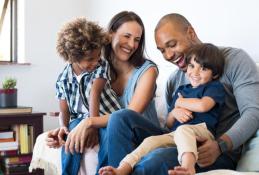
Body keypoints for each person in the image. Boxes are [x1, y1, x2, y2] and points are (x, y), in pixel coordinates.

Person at [105, 13, 259, 175]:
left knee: (156, 160)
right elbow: (170, 127)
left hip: (213, 151)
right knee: (120, 117)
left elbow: (253, 112)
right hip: (177, 139)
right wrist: (174, 112)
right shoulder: (174, 80)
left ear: (190, 33)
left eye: (172, 44)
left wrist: (220, 146)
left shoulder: (234, 60)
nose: (168, 55)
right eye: (162, 50)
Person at [45, 11, 160, 174]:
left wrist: (90, 122)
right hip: (114, 129)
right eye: (126, 36)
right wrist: (65, 128)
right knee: (76, 131)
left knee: (114, 125)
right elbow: (76, 103)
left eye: (137, 39)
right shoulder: (97, 65)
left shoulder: (147, 71)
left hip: (143, 134)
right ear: (110, 34)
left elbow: (129, 116)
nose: (132, 44)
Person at [99, 43, 225, 175]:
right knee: (150, 141)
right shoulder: (182, 90)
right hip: (175, 134)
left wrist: (180, 102)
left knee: (184, 130)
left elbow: (203, 106)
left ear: (215, 74)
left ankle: (188, 167)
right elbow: (169, 123)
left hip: (201, 133)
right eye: (192, 66)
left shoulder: (213, 87)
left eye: (203, 69)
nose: (195, 73)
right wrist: (175, 112)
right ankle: (122, 169)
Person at [55, 17, 121, 175]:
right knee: (71, 138)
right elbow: (64, 111)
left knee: (108, 139)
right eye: (90, 59)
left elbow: (95, 93)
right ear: (72, 57)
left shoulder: (101, 65)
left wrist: (92, 124)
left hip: (106, 116)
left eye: (98, 56)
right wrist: (64, 127)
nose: (96, 61)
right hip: (80, 118)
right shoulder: (63, 79)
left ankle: (104, 172)